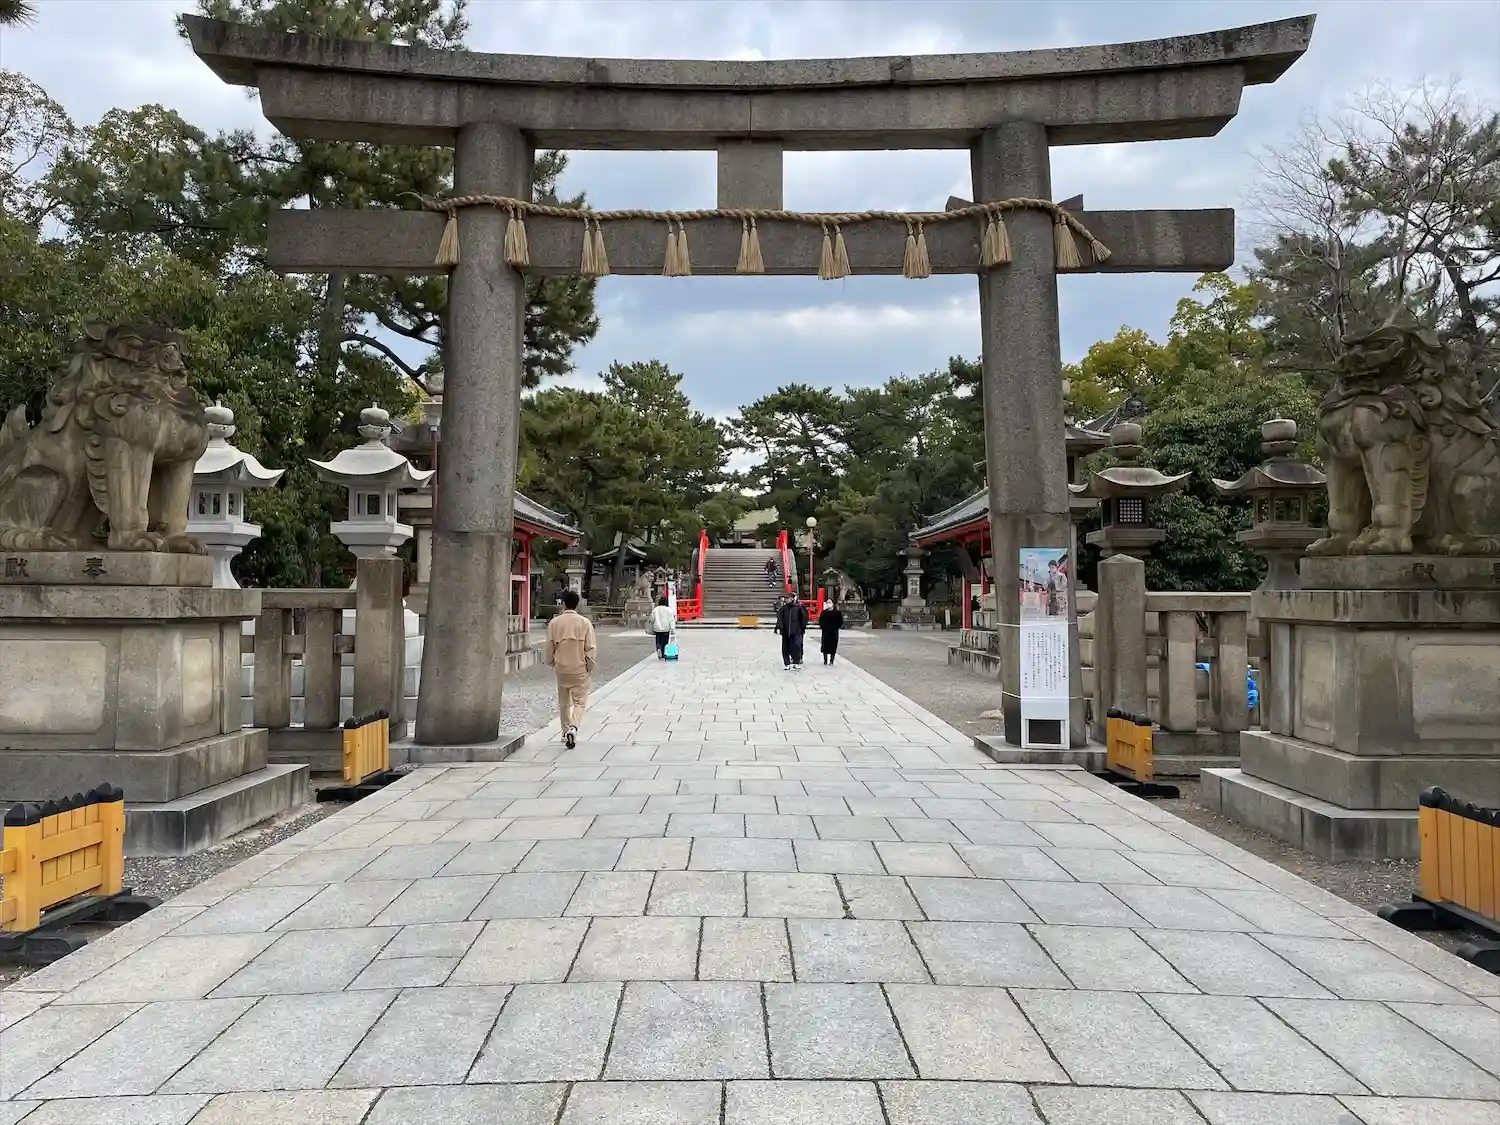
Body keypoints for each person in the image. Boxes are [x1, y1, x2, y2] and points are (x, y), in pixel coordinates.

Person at [542, 589, 596, 749]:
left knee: (564, 702)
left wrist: (551, 662)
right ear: (577, 604)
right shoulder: (584, 623)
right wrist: (589, 666)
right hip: (579, 667)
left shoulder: (554, 623)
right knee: (580, 702)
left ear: (563, 604)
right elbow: (590, 648)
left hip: (561, 667)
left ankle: (565, 731)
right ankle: (573, 727)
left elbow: (549, 647)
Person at [776, 594, 809, 670]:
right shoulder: (783, 609)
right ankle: (787, 663)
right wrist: (779, 627)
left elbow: (803, 618)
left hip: (796, 631)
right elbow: (780, 619)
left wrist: (802, 628)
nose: (788, 600)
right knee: (785, 647)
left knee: (796, 646)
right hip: (786, 631)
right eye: (787, 598)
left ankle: (796, 662)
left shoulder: (798, 608)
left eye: (790, 598)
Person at [819, 598, 845, 665]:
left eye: (830, 602)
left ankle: (832, 660)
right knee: (825, 645)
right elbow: (820, 621)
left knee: (833, 646)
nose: (828, 603)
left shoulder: (837, 613)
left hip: (834, 632)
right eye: (827, 602)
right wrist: (823, 627)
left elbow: (840, 621)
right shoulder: (823, 612)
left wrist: (836, 627)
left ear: (833, 603)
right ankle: (825, 660)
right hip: (825, 632)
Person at [650, 593, 675, 659]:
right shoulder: (669, 610)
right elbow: (671, 620)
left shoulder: (656, 609)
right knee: (665, 641)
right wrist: (672, 629)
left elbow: (652, 618)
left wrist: (652, 624)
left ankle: (659, 648)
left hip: (657, 628)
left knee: (658, 640)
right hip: (666, 628)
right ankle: (663, 653)